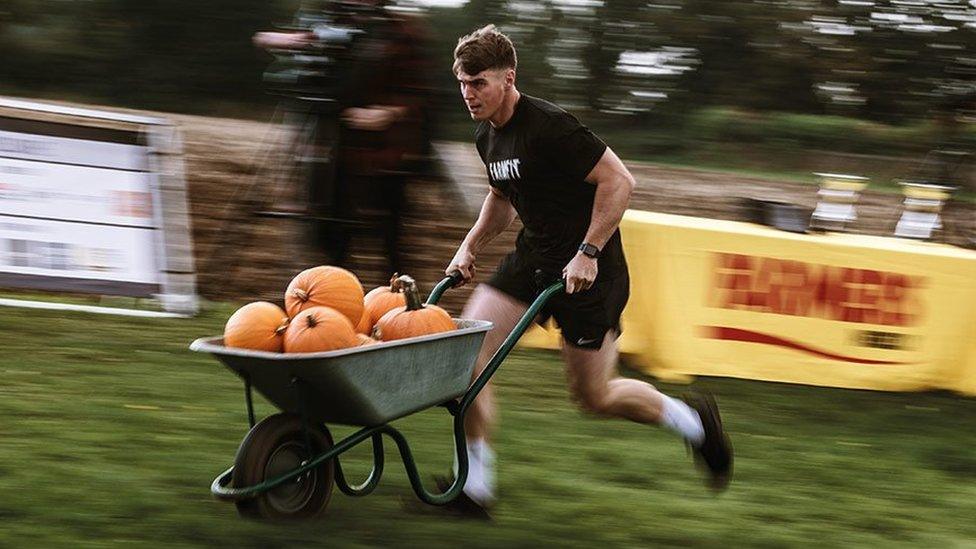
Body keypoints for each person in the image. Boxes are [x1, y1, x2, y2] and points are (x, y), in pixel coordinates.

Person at [442, 25, 733, 517]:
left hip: (590, 273)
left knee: (594, 397)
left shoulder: (551, 126)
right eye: (463, 83)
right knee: (468, 356)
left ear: (508, 78)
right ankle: (475, 489)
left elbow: (619, 180)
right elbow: (501, 196)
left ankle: (694, 424)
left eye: (479, 83)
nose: (469, 94)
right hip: (533, 262)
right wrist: (469, 246)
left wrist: (588, 251)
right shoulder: (486, 135)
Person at [254, 0, 434, 279]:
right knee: (330, 241)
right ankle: (336, 299)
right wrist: (294, 41)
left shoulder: (401, 32)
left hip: (383, 161)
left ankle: (398, 307)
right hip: (333, 158)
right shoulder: (327, 21)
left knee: (391, 245)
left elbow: (420, 94)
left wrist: (388, 112)